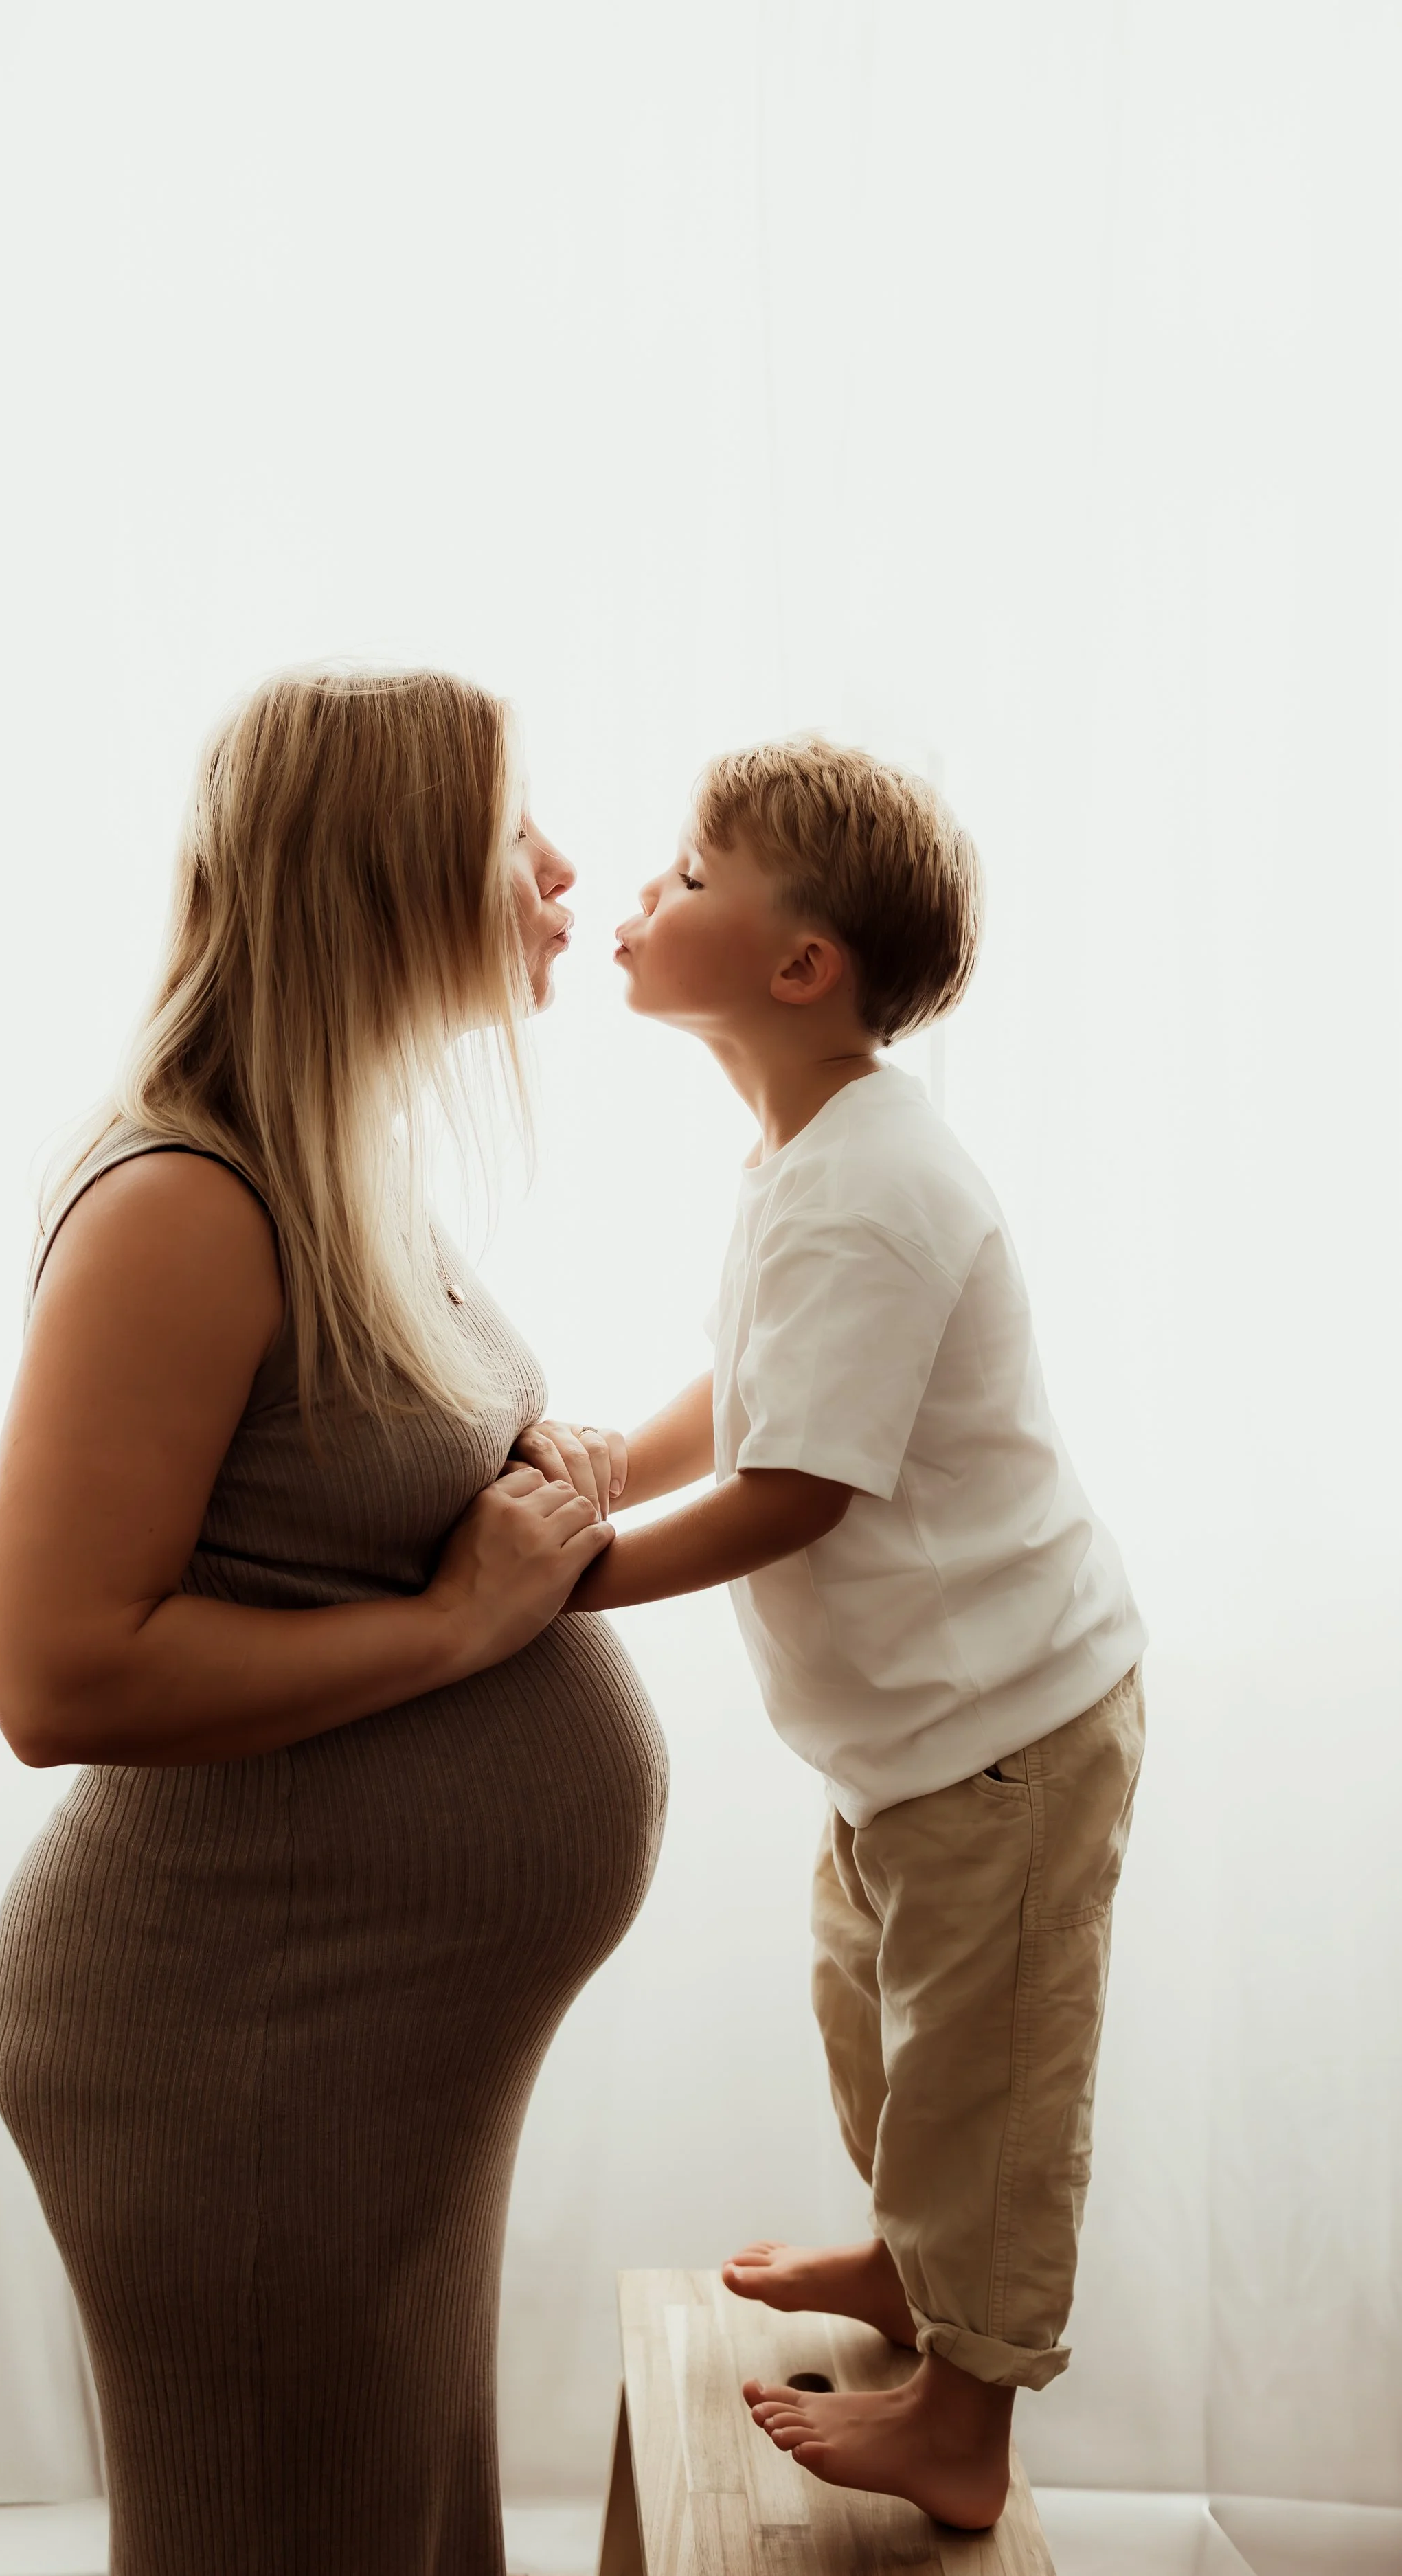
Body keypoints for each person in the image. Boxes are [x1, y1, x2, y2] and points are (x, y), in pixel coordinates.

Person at [0, 667, 667, 2576]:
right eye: (508, 827)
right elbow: (57, 1670)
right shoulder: (185, 1201)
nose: (558, 869)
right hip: (244, 2053)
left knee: (393, 2522)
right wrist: (458, 1627)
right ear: (379, 876)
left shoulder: (334, 1146)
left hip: (371, 2056)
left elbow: (318, 1495)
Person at [563, 735, 1145, 2531]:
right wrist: (603, 1466)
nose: (635, 897)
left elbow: (794, 1485)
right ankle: (912, 2272)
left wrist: (566, 1577)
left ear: (799, 965)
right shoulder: (805, 1153)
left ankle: (961, 2421)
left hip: (1003, 1731)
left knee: (981, 2081)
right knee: (879, 2030)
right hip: (911, 1739)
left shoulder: (869, 1184)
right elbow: (750, 1385)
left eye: (680, 876)